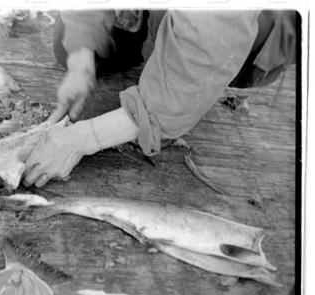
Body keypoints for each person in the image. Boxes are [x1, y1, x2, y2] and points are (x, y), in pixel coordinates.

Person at [23, 10, 297, 188]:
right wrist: (81, 61)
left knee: (167, 107)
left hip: (228, 27)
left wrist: (84, 138)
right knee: (67, 42)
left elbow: (211, 35)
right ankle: (161, 40)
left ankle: (177, 54)